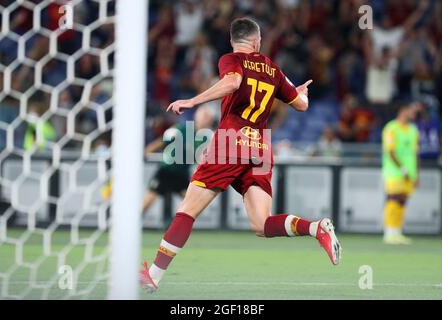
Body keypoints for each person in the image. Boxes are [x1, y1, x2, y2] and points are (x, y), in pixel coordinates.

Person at [139, 17, 342, 292]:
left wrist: (192, 100)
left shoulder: (231, 59)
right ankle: (315, 228)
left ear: (234, 41)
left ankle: (154, 274)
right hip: (261, 147)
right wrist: (299, 93)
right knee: (261, 224)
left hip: (232, 142)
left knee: (187, 211)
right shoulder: (272, 68)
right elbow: (302, 105)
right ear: (257, 42)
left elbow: (233, 82)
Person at [382, 102, 420, 245]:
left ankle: (397, 232)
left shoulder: (413, 130)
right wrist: (402, 169)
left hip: (410, 173)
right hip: (394, 172)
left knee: (402, 201)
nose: (414, 113)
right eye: (411, 110)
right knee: (393, 199)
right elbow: (390, 152)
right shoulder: (391, 128)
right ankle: (389, 232)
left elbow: (416, 153)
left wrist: (416, 174)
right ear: (403, 110)